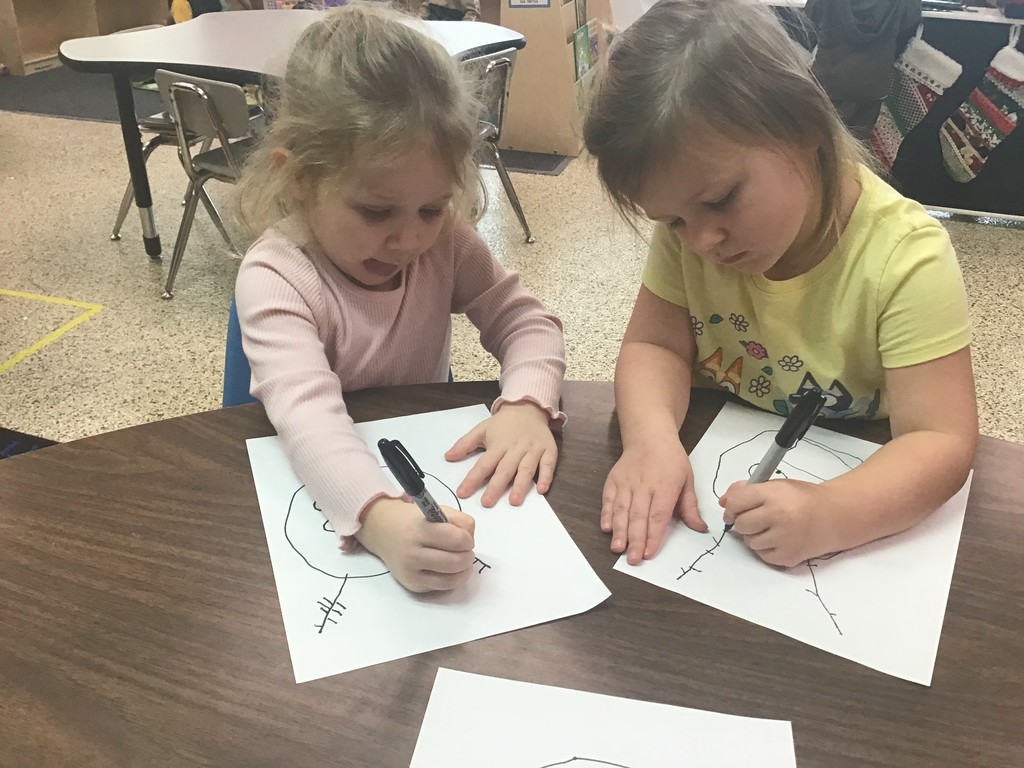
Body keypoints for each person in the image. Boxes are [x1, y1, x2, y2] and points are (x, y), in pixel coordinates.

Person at [583, 0, 976, 569]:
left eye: (721, 201)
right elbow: (655, 345)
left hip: (856, 465)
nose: (701, 241)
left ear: (804, 127)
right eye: (672, 220)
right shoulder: (693, 231)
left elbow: (940, 441)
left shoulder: (905, 257)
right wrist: (650, 440)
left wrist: (833, 512)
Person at [234, 3, 566, 593]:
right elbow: (308, 421)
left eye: (433, 208)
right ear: (300, 180)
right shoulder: (276, 275)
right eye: (376, 211)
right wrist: (378, 519)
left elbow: (527, 323)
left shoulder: (448, 244)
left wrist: (525, 404)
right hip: (314, 489)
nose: (410, 238)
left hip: (421, 450)